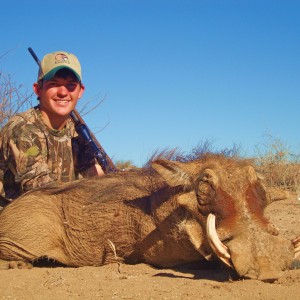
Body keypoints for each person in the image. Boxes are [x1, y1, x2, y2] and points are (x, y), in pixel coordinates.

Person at [0, 50, 104, 204]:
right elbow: (44, 194)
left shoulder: (77, 132)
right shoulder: (21, 129)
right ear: (38, 89)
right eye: (54, 84)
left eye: (71, 85)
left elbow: (97, 176)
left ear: (80, 91)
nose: (63, 92)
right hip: (18, 221)